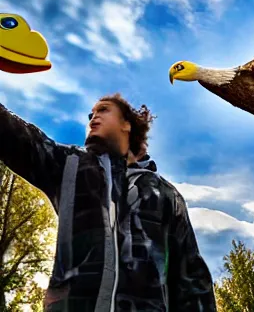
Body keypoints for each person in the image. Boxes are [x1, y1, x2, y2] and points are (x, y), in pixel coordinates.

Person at [0, 93, 217, 311]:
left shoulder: (166, 195)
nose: (93, 117)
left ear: (127, 124)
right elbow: (14, 136)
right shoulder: (68, 165)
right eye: (90, 114)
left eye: (103, 110)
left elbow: (192, 282)